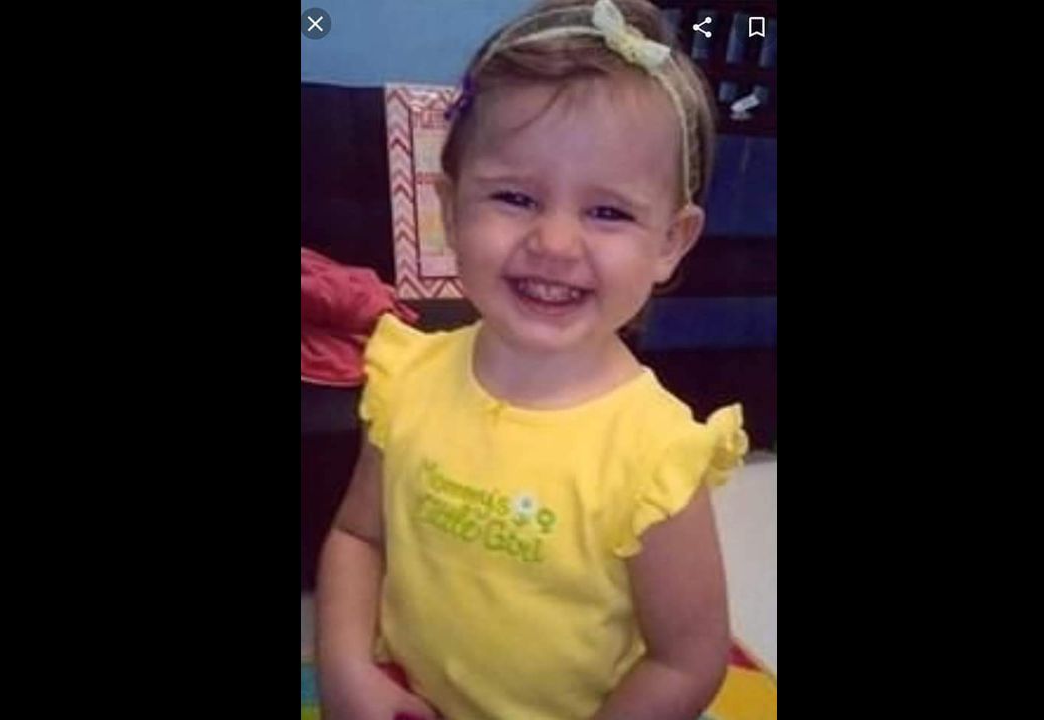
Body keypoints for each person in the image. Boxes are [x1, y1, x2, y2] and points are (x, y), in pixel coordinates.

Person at [317, 1, 749, 717]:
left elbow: (685, 661)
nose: (553, 243)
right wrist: (345, 668)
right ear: (450, 208)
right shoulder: (407, 380)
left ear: (670, 242)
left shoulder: (656, 455)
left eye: (607, 211)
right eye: (515, 197)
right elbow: (358, 535)